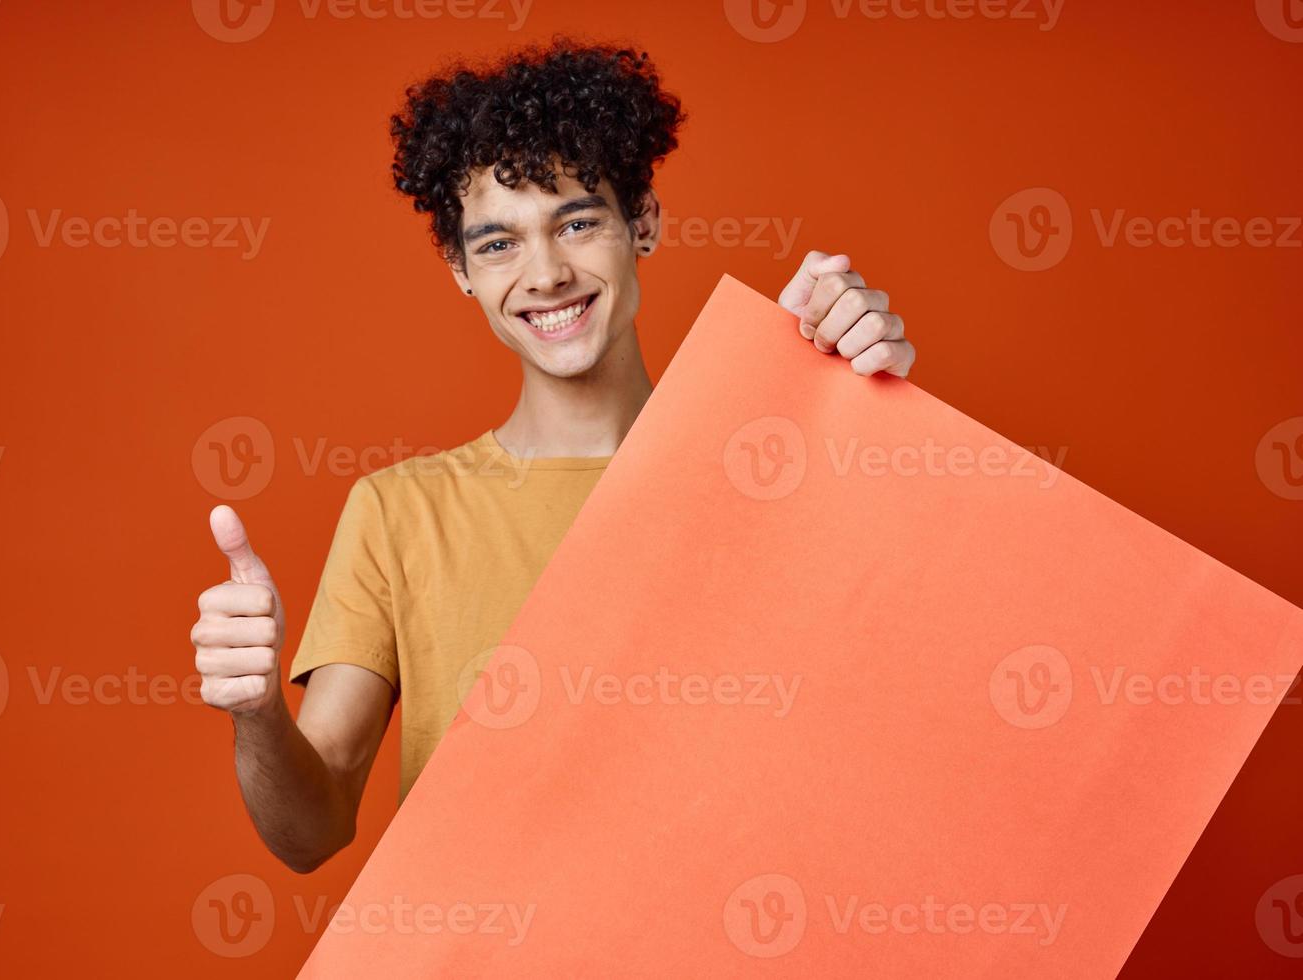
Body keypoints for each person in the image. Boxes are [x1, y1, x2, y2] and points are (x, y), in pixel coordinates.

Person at [189, 38, 915, 874]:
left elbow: (892, 736)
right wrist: (256, 715)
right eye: (498, 244)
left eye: (577, 221)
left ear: (641, 219)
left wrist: (866, 416)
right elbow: (311, 833)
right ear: (460, 269)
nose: (546, 273)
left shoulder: (772, 474)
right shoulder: (400, 513)